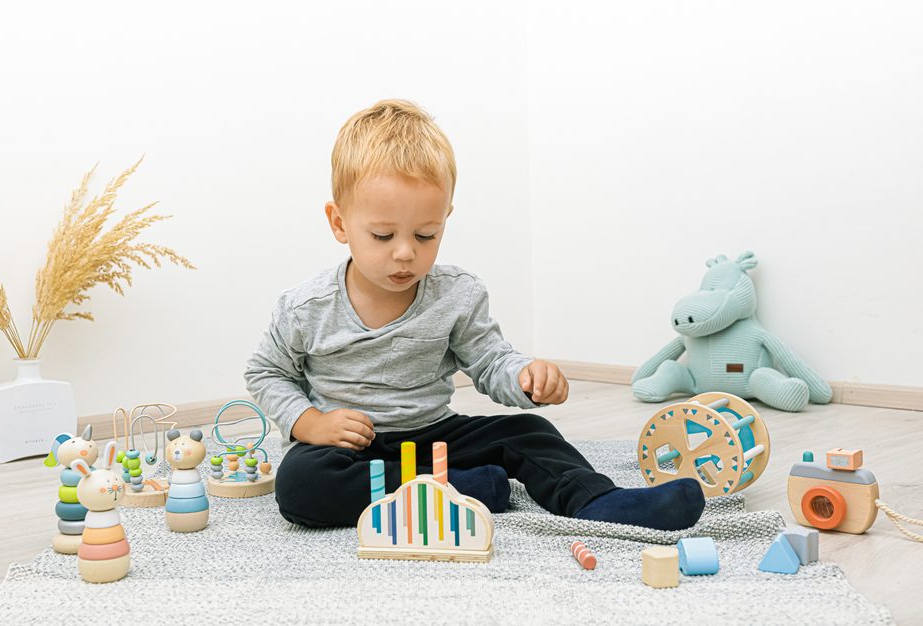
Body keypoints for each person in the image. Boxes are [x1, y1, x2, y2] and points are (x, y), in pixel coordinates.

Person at [245, 99, 705, 529]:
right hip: (349, 448)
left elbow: (489, 361)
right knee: (300, 484)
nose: (405, 253)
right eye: (383, 236)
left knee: (530, 432)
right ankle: (460, 490)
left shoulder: (457, 294)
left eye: (426, 235)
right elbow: (266, 372)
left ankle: (596, 500)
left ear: (445, 218)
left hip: (435, 435)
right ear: (339, 223)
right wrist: (311, 423)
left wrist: (525, 376)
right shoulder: (305, 307)